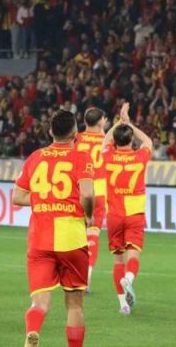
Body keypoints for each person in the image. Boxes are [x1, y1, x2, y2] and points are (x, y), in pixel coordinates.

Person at [12, 109, 95, 347]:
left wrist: (44, 199)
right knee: (75, 304)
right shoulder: (81, 157)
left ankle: (32, 332)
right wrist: (89, 215)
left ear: (50, 131)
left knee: (39, 302)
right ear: (75, 132)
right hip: (72, 238)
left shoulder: (35, 157)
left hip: (40, 238)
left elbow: (17, 196)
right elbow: (88, 193)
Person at [102, 102, 153, 315]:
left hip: (114, 214)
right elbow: (148, 141)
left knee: (118, 259)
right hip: (134, 213)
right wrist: (129, 123)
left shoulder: (108, 156)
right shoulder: (139, 157)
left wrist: (118, 122)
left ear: (115, 141)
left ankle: (123, 304)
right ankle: (129, 279)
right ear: (131, 140)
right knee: (134, 255)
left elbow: (105, 140)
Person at [75, 107, 107, 292]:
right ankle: (86, 275)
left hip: (79, 190)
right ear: (101, 121)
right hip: (99, 192)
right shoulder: (107, 140)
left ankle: (72, 273)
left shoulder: (76, 138)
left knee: (77, 233)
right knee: (93, 234)